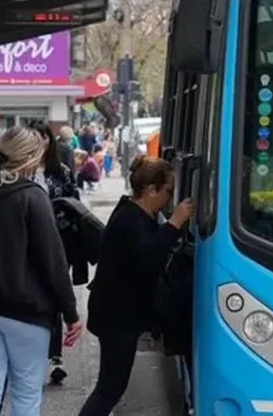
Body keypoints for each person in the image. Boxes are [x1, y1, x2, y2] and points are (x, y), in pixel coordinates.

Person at [0, 126, 83, 416]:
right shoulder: (32, 197)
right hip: (25, 309)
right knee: (25, 392)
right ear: (33, 159)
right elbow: (53, 261)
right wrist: (70, 313)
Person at [78, 156, 193, 416]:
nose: (169, 199)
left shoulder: (133, 213)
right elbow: (149, 257)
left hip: (117, 315)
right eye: (168, 191)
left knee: (111, 386)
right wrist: (175, 223)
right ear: (152, 190)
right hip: (117, 318)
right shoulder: (132, 219)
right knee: (110, 388)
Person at [29, 121, 81, 385]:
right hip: (25, 248)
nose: (40, 142)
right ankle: (37, 353)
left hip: (59, 243)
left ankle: (54, 357)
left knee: (54, 295)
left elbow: (75, 204)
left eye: (44, 137)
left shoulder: (60, 171)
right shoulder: (17, 173)